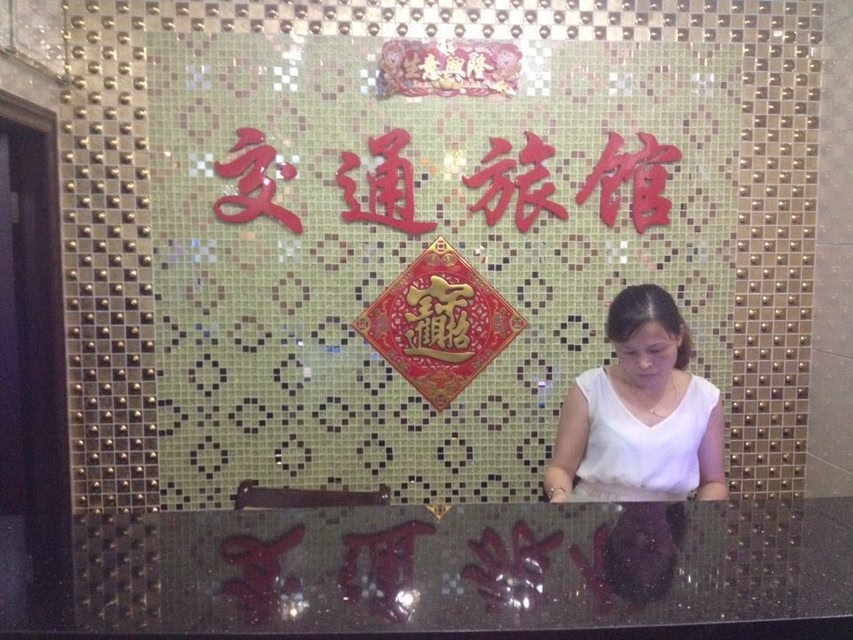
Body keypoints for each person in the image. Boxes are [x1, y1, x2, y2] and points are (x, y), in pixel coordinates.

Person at [544, 284, 728, 502]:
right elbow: (561, 468)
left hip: (672, 517)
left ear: (678, 336)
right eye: (629, 352)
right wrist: (559, 495)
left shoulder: (705, 397)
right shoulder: (590, 388)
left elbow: (713, 483)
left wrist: (701, 516)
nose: (643, 363)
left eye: (656, 350)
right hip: (595, 513)